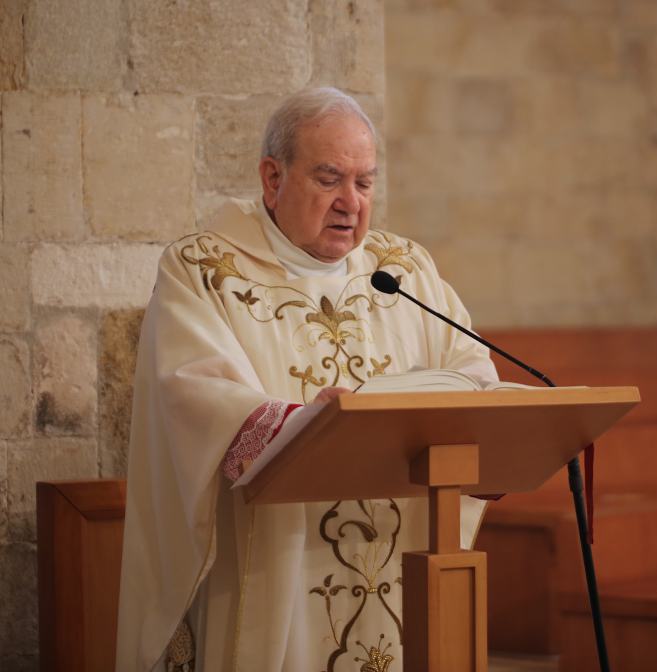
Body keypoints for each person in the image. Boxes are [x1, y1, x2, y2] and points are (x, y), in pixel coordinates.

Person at [115, 87, 498, 671]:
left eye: (365, 183)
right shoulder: (204, 270)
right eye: (329, 180)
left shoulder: (404, 271)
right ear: (273, 178)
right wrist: (302, 426)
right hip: (276, 565)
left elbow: (471, 371)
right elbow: (196, 392)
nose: (351, 203)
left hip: (401, 562)